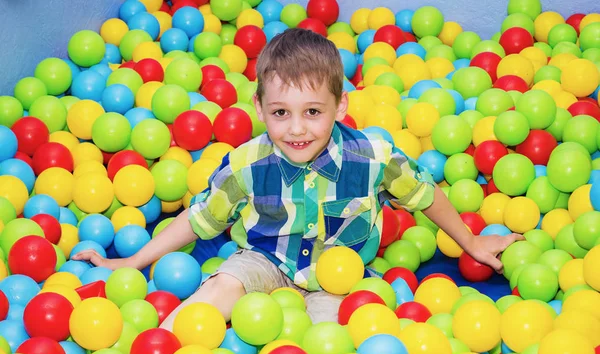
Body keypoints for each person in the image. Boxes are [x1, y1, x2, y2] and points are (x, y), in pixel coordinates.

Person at [73, 28, 522, 329]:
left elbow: (426, 196)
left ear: (340, 108)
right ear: (259, 109)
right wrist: (131, 262)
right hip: (266, 258)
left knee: (327, 335)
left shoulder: (373, 158)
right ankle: (164, 353)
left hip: (337, 274)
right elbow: (198, 220)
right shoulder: (246, 164)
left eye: (313, 112)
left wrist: (472, 243)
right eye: (281, 113)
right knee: (223, 283)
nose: (297, 129)